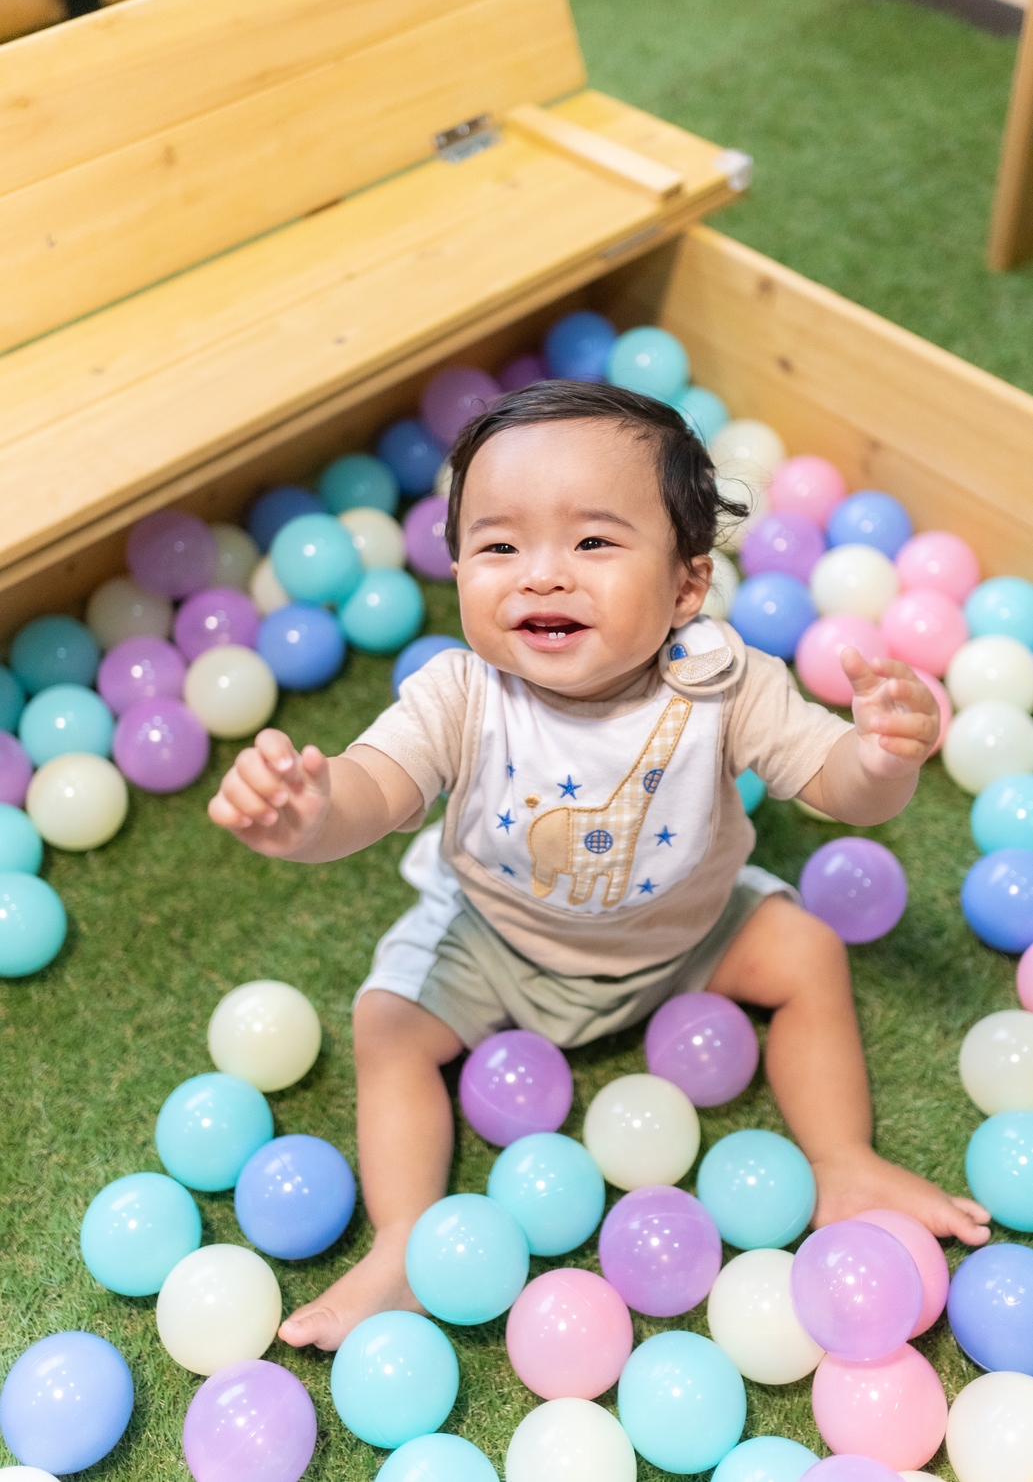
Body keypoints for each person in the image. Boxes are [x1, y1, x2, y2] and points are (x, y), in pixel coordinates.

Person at [209, 380, 990, 1351]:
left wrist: (881, 760)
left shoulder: (722, 682)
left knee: (807, 952)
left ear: (684, 587)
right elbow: (372, 789)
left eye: (591, 542)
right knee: (388, 1024)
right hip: (497, 934)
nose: (540, 575)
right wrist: (310, 813)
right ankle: (405, 1243)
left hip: (686, 928)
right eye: (499, 546)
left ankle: (843, 1160)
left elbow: (837, 785)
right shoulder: (460, 692)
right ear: (455, 569)